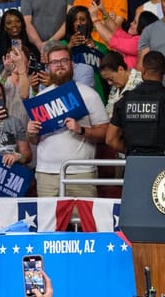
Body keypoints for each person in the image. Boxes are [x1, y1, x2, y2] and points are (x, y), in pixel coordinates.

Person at [27, 42, 108, 198]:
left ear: (71, 64)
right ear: (48, 66)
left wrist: (82, 130)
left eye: (64, 61)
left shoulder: (89, 95)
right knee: (48, 222)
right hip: (46, 173)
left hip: (80, 172)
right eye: (54, 62)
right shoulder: (41, 98)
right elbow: (34, 140)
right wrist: (31, 132)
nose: (59, 66)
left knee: (84, 222)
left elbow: (105, 133)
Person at [105, 51, 165, 156]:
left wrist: (131, 153)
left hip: (134, 165)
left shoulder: (125, 101)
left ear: (142, 71)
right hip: (162, 165)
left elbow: (110, 139)